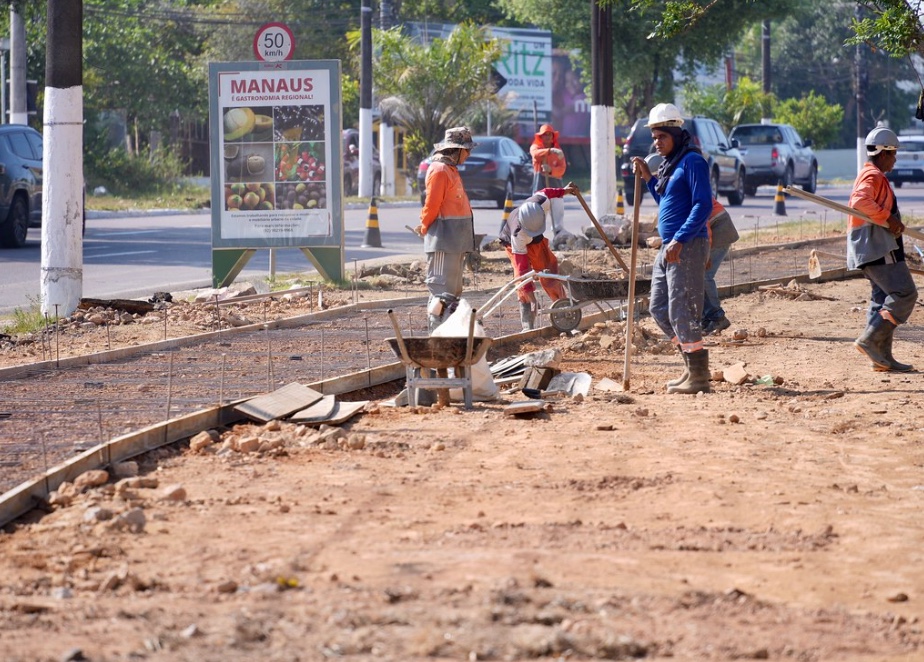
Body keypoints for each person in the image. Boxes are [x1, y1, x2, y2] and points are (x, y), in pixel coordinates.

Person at [631, 102, 712, 394]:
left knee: (683, 308)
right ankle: (690, 367)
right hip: (670, 246)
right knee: (659, 307)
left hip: (687, 245)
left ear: (676, 134)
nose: (656, 142)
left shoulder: (692, 162)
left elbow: (703, 204)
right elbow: (667, 201)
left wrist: (680, 238)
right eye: (654, 137)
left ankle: (699, 377)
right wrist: (649, 179)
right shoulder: (672, 164)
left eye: (661, 136)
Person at [848, 125, 917, 372]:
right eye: (893, 154)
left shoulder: (871, 173)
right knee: (905, 294)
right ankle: (870, 340)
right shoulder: (873, 176)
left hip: (870, 248)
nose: (895, 159)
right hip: (877, 247)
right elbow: (859, 201)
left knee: (881, 300)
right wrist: (889, 219)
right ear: (884, 153)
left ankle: (882, 358)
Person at [415, 127, 477, 334]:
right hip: (443, 242)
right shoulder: (440, 171)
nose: (468, 154)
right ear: (456, 150)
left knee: (453, 294)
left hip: (455, 243)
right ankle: (436, 337)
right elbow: (431, 205)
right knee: (441, 292)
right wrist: (424, 226)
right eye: (467, 150)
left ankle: (449, 335)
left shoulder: (450, 170)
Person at [499, 183, 579, 330]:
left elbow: (547, 191)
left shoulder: (541, 201)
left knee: (549, 270)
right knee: (521, 281)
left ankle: (564, 310)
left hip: (536, 240)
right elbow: (522, 271)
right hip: (512, 243)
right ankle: (528, 322)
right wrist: (533, 298)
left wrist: (564, 191)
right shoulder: (518, 235)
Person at [702, 197, 740, 335]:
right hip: (713, 227)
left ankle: (717, 316)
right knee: (697, 276)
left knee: (705, 275)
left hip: (719, 229)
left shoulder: (684, 192)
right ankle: (706, 319)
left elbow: (704, 227)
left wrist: (706, 256)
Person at [529, 124, 567, 234]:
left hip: (555, 186)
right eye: (545, 135)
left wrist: (551, 170)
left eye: (549, 135)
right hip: (540, 186)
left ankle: (559, 234)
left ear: (553, 136)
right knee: (538, 213)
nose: (547, 137)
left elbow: (562, 169)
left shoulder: (559, 151)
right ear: (541, 137)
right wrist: (550, 151)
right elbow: (535, 154)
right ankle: (536, 237)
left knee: (557, 213)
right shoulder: (535, 147)